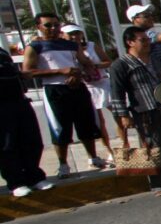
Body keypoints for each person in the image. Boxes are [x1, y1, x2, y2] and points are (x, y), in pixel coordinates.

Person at [108, 27, 161, 196]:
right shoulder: (121, 64)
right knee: (152, 147)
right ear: (130, 42)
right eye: (142, 40)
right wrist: (123, 116)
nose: (147, 43)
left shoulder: (155, 58)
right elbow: (117, 92)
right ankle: (159, 185)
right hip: (145, 111)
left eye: (147, 39)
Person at [22, 12, 104, 177]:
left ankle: (93, 157)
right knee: (60, 128)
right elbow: (27, 72)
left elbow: (86, 64)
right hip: (54, 90)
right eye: (48, 25)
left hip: (77, 88)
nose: (53, 28)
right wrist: (60, 71)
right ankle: (63, 165)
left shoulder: (71, 45)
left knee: (86, 124)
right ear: (38, 27)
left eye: (56, 24)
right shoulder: (34, 47)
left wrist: (78, 74)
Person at [0, 45, 53, 197]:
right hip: (2, 107)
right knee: (7, 146)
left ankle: (34, 177)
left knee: (32, 141)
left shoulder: (2, 52)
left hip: (19, 102)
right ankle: (16, 182)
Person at [61, 23, 117, 166]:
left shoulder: (92, 46)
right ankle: (109, 151)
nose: (75, 36)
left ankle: (126, 145)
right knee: (99, 122)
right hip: (86, 87)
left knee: (118, 115)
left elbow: (107, 61)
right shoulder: (64, 50)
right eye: (71, 34)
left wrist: (93, 66)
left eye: (77, 33)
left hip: (102, 84)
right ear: (63, 35)